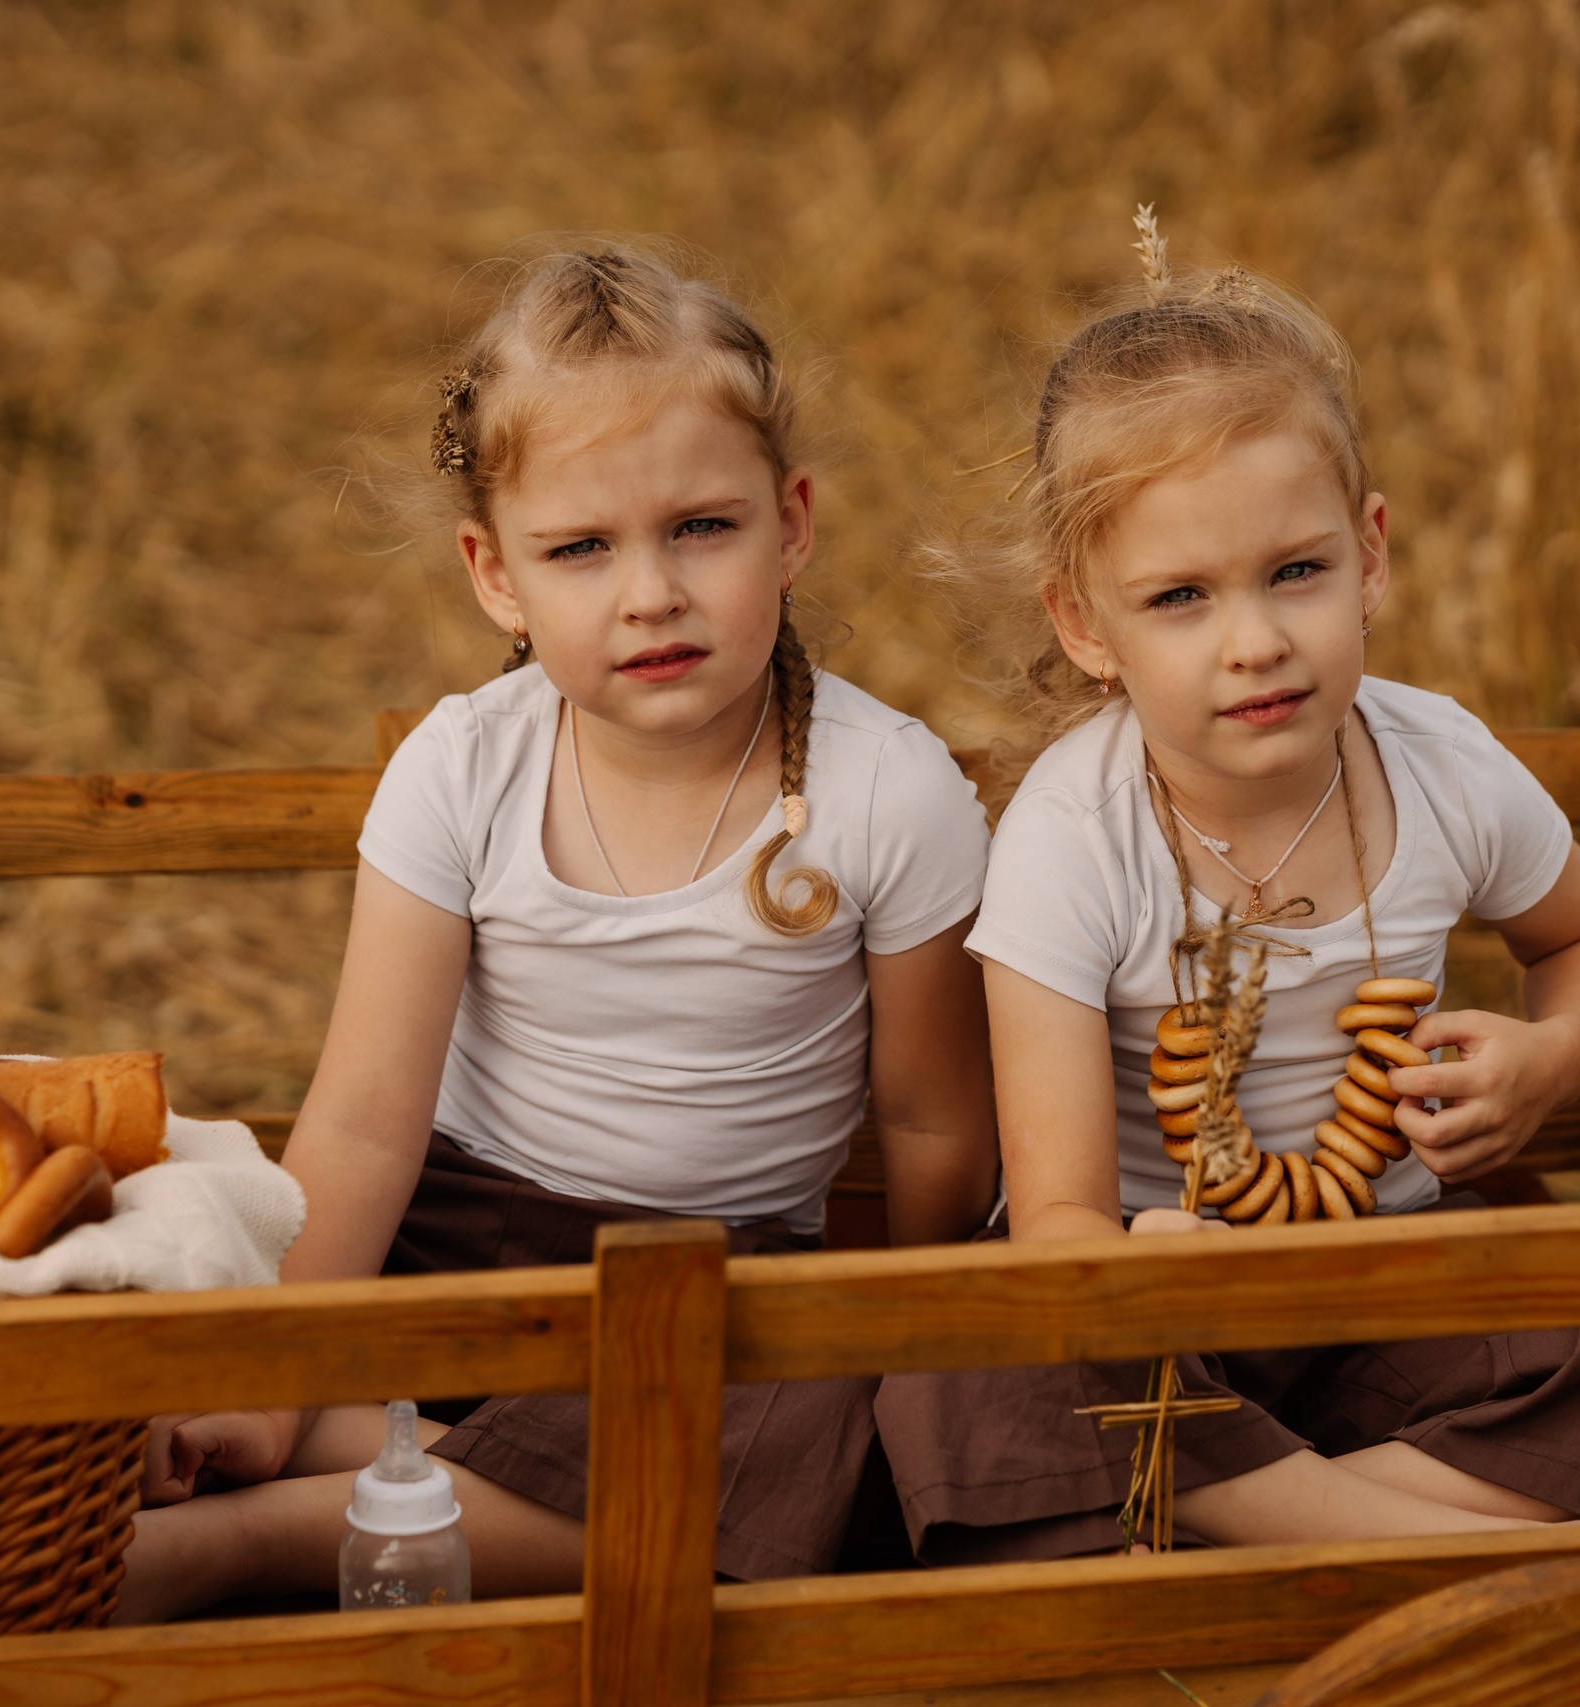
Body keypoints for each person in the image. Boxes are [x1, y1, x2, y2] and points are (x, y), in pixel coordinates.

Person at [875, 234, 1580, 1565]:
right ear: (1086, 628)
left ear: (1372, 551)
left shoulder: (1441, 764)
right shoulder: (1069, 836)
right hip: (1166, 1320)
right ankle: (1452, 1550)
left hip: (1399, 1284)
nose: (1257, 639)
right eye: (1181, 598)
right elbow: (1055, 1212)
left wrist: (1553, 1052)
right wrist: (1142, 1265)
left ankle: (1270, 1526)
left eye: (1297, 570)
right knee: (963, 1386)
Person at [118, 245, 998, 1620]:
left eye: (702, 527)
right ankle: (392, 1466)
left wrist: (908, 1357)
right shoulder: (464, 769)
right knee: (229, 1339)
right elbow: (359, 1125)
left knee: (824, 1442)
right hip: (462, 1245)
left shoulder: (887, 792)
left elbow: (937, 1127)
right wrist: (277, 1365)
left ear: (794, 521)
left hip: (718, 1289)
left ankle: (253, 1538)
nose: (649, 591)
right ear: (497, 576)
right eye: (581, 549)